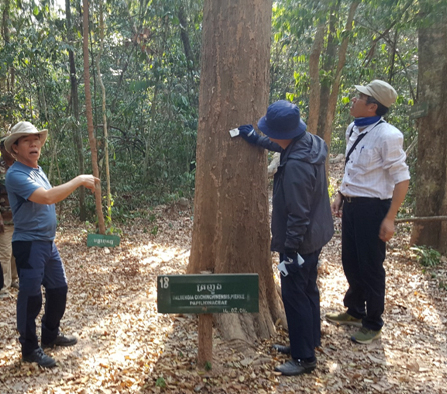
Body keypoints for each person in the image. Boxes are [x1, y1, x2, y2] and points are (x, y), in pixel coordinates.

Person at [237, 100, 334, 376]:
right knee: (308, 289)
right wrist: (256, 139)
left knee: (294, 295)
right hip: (315, 236)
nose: (269, 135)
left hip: (301, 241)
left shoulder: (296, 168)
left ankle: (304, 358)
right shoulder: (310, 142)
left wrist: (290, 252)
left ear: (283, 133)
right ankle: (309, 340)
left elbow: (298, 214)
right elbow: (285, 146)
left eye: (269, 132)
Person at [5, 121, 99, 368]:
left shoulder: (37, 170)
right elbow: (47, 197)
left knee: (59, 289)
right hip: (29, 244)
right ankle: (29, 348)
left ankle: (49, 335)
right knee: (31, 296)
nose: (34, 143)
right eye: (26, 140)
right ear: (15, 147)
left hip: (48, 243)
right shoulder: (15, 174)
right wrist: (78, 179)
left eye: (36, 138)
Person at [326, 80, 410, 344]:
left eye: (360, 97)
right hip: (352, 206)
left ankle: (373, 322)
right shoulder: (353, 128)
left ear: (373, 106)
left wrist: (390, 217)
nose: (354, 100)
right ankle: (355, 310)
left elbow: (402, 178)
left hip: (373, 209)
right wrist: (341, 193)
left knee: (371, 266)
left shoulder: (389, 136)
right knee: (351, 260)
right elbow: (354, 167)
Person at [0, 137, 19, 296]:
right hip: (4, 219)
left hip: (19, 219)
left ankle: (13, 279)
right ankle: (4, 287)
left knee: (16, 252)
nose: (10, 151)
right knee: (5, 254)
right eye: (6, 147)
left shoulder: (20, 166)